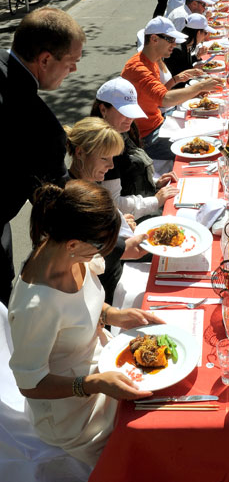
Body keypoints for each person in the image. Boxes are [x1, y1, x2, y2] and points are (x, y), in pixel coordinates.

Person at [8, 180, 163, 467]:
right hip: (74, 413)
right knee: (144, 449)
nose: (102, 255)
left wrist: (111, 314)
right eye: (99, 247)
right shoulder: (37, 306)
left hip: (106, 366)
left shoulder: (64, 250)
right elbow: (30, 384)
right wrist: (92, 384)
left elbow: (80, 305)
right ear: (73, 244)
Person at [0, 7, 85, 305]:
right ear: (45, 60)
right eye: (71, 62)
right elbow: (58, 209)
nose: (74, 71)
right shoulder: (40, 127)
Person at [64, 117, 151, 302]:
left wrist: (119, 223)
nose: (111, 166)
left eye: (113, 158)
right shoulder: (74, 199)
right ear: (80, 153)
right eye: (104, 158)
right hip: (104, 292)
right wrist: (120, 245)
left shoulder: (89, 185)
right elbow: (77, 256)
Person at [121, 17, 222, 165]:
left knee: (211, 131)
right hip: (148, 138)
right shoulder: (138, 68)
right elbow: (164, 99)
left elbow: (156, 97)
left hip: (160, 123)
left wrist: (179, 82)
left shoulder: (151, 61)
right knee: (209, 148)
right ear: (154, 39)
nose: (174, 45)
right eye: (170, 40)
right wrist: (199, 87)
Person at [91, 77, 179, 216]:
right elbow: (113, 203)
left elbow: (129, 176)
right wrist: (155, 201)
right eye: (124, 112)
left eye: (131, 113)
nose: (130, 119)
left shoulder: (123, 130)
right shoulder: (104, 148)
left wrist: (154, 182)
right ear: (103, 109)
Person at [165, 13, 215, 81]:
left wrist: (197, 56)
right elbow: (177, 78)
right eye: (205, 33)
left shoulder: (186, 44)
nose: (205, 36)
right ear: (198, 33)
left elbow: (185, 65)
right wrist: (192, 70)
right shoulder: (177, 50)